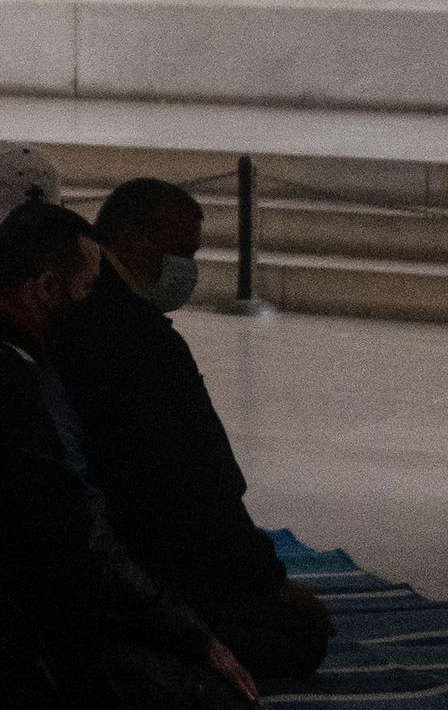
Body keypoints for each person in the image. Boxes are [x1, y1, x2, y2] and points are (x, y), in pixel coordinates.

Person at [0, 200, 259, 710]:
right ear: (44, 287)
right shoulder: (13, 382)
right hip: (15, 644)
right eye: (84, 287)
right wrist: (195, 638)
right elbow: (80, 551)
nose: (90, 302)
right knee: (223, 703)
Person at [47, 177, 331, 682]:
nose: (188, 271)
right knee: (296, 637)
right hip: (144, 550)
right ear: (137, 242)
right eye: (183, 253)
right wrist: (267, 578)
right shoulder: (140, 338)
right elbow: (198, 483)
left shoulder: (87, 309)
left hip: (100, 537)